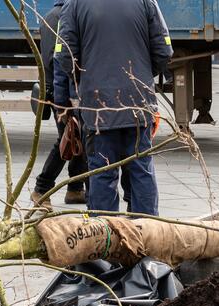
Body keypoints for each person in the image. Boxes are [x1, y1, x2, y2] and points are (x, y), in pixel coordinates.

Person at [58, 0, 172, 215]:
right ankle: (147, 233)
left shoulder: (74, 4)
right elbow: (164, 51)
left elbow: (64, 56)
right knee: (141, 170)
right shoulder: (147, 2)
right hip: (138, 102)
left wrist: (87, 79)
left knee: (102, 172)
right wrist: (141, 77)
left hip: (97, 106)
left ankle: (104, 238)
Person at [30, 0, 88, 209]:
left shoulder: (54, 15)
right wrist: (62, 99)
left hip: (60, 88)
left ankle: (75, 188)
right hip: (63, 89)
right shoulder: (62, 16)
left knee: (77, 138)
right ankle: (41, 190)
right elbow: (58, 59)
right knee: (68, 139)